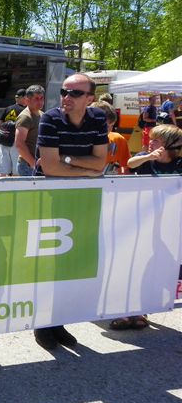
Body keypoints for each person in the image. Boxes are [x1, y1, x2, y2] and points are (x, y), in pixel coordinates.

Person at [33, 73, 107, 350]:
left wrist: (67, 159)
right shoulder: (50, 119)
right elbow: (50, 168)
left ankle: (58, 321)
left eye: (75, 93)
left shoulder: (98, 118)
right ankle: (43, 323)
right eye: (64, 91)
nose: (66, 97)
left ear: (90, 98)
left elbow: (101, 164)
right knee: (49, 262)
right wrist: (85, 168)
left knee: (70, 262)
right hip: (49, 198)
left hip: (79, 198)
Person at [108, 124, 182, 331]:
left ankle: (142, 311)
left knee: (157, 270)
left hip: (171, 226)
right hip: (144, 223)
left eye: (156, 140)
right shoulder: (144, 158)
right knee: (136, 267)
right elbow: (130, 163)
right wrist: (149, 157)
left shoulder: (179, 164)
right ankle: (126, 312)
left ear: (170, 145)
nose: (150, 142)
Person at [90, 100, 130, 174]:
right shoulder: (79, 142)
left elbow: (126, 168)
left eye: (112, 125)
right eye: (105, 126)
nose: (109, 129)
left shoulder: (118, 140)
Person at [0, 88, 27, 177]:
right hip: (16, 141)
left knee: (2, 171)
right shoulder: (25, 111)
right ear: (23, 98)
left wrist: (5, 133)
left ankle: (0, 183)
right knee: (16, 171)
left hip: (4, 140)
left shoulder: (8, 108)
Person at [14, 85, 45, 176]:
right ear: (27, 100)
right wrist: (33, 164)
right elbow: (19, 144)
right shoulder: (25, 117)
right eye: (36, 99)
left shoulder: (41, 114)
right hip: (28, 166)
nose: (40, 101)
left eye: (42, 98)